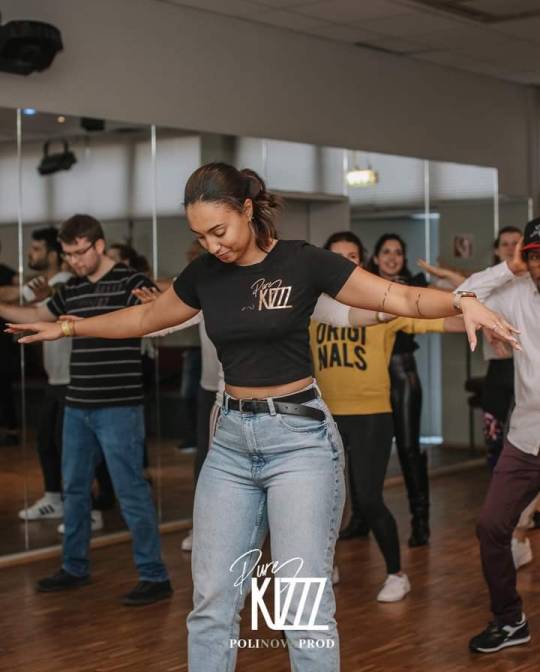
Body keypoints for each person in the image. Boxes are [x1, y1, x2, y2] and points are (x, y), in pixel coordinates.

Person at [7, 164, 518, 671]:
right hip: (230, 441)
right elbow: (145, 317)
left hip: (299, 441)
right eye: (200, 236)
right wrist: (69, 328)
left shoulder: (302, 262)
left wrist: (461, 301)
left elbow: (396, 295)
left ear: (247, 210)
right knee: (210, 604)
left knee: (301, 606)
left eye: (219, 230)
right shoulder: (204, 275)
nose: (212, 245)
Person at [2, 214, 171, 606]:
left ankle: (154, 575)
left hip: (119, 407)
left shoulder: (129, 281)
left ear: (98, 245)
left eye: (81, 253)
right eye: (69, 255)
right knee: (74, 489)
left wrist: (161, 306)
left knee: (130, 490)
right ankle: (74, 567)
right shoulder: (74, 288)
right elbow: (37, 315)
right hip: (78, 405)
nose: (75, 262)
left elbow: (163, 316)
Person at [312, 231, 467, 602]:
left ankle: (397, 574)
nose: (345, 262)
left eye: (353, 256)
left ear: (362, 261)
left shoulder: (379, 303)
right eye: (338, 256)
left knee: (368, 499)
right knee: (323, 501)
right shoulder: (312, 307)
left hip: (371, 416)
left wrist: (476, 312)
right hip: (325, 418)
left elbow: (441, 321)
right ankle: (326, 565)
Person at [453, 219, 540, 654]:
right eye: (535, 256)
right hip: (526, 440)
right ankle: (509, 621)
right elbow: (462, 294)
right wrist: (509, 268)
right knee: (491, 526)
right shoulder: (515, 292)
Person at [367, 234, 431, 547]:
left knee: (408, 448)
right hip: (369, 372)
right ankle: (360, 518)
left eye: (398, 252)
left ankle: (420, 521)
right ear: (376, 257)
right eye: (386, 251)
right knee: (364, 448)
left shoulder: (413, 287)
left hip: (403, 372)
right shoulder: (363, 287)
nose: (392, 257)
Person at [0, 240, 18, 446]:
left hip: (3, 338)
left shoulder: (6, 272)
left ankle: (11, 430)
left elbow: (21, 292)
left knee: (4, 385)